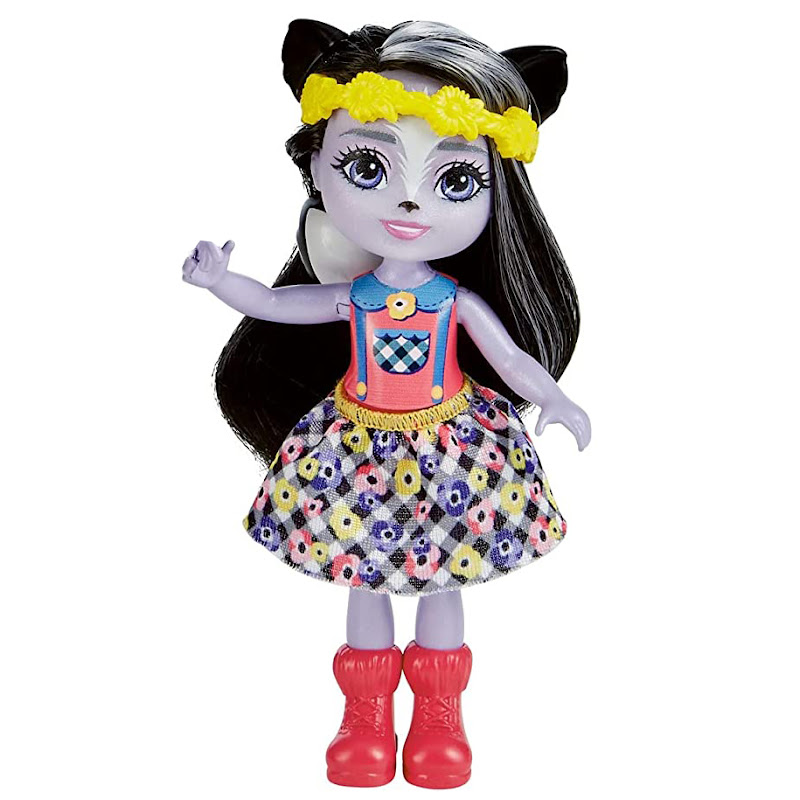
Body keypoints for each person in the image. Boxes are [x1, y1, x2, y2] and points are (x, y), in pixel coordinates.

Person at [183, 18, 591, 790]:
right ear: (320, 166)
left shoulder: (454, 299)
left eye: (455, 180)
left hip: (452, 450)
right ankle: (365, 716)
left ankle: (440, 715)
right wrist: (221, 284)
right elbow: (279, 305)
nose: (409, 201)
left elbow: (508, 358)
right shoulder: (356, 296)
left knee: (445, 578)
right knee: (363, 577)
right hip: (357, 449)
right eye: (368, 165)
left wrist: (558, 399)